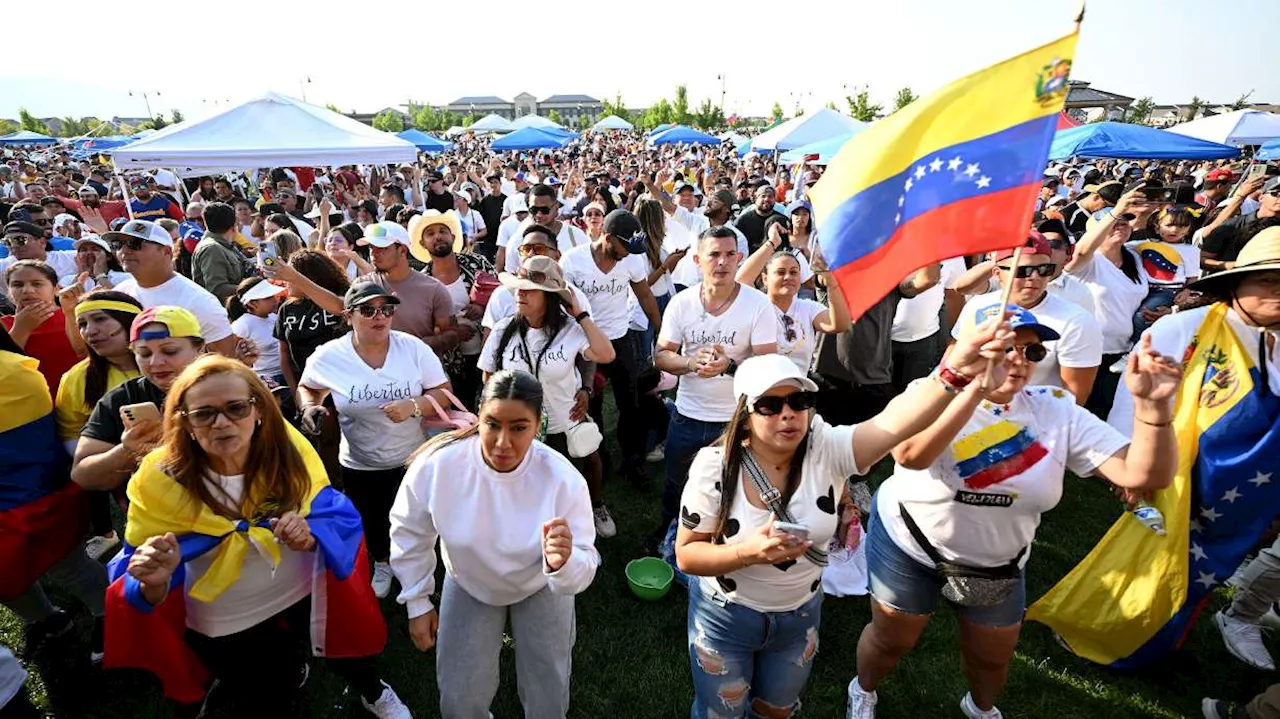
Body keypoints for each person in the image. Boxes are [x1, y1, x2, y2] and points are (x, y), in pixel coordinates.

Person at [846, 307, 1180, 719]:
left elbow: (1143, 475)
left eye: (1030, 351)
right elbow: (911, 455)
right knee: (892, 640)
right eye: (1003, 347)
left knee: (992, 658)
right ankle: (864, 688)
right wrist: (972, 390)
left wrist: (1154, 409)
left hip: (997, 562)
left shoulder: (1056, 408)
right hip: (911, 545)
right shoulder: (928, 392)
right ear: (967, 349)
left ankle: (981, 707)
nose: (1018, 359)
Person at [674, 311, 1010, 718]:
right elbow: (688, 556)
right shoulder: (715, 466)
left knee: (777, 710)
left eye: (800, 401)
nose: (788, 414)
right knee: (720, 713)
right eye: (770, 404)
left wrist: (953, 372)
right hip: (726, 616)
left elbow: (893, 423)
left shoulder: (826, 446)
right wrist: (751, 553)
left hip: (798, 616)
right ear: (745, 413)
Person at [103, 355, 410, 717]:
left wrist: (309, 534)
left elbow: (332, 514)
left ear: (259, 410)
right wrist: (155, 581)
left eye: (236, 408)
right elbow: (140, 577)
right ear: (183, 422)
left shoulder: (287, 448)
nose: (221, 423)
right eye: (203, 414)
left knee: (344, 651)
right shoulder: (156, 478)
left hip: (300, 588)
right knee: (263, 697)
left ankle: (372, 691)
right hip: (223, 615)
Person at [1065, 227, 1280, 674]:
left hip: (1240, 496)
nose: (1279, 294)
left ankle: (1156, 641)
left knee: (1199, 574)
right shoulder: (1187, 328)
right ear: (1236, 284)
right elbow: (1133, 396)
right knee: (1139, 563)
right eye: (1269, 280)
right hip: (1171, 476)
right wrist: (1129, 463)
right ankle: (1098, 632)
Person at [389, 369, 599, 719]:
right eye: (492, 425)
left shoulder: (562, 478)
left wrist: (564, 563)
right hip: (469, 580)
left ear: (538, 425)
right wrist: (417, 600)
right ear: (479, 416)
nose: (503, 443)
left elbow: (585, 564)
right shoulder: (440, 464)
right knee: (459, 695)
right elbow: (409, 527)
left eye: (519, 428)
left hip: (539, 585)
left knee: (548, 686)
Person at [296, 280, 452, 599]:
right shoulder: (330, 356)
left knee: (419, 519)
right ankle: (382, 562)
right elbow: (308, 386)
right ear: (348, 315)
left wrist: (415, 405)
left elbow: (443, 390)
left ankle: (421, 571)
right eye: (368, 310)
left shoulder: (412, 348)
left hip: (414, 457)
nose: (379, 316)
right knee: (374, 519)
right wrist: (310, 407)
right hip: (361, 461)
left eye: (386, 309)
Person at [654, 226, 778, 548]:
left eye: (729, 255)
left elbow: (769, 367)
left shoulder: (758, 305)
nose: (722, 262)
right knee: (677, 481)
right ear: (698, 260)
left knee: (732, 486)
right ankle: (670, 533)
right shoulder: (681, 304)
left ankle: (720, 542)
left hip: (737, 418)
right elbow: (662, 355)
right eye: (713, 254)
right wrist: (692, 363)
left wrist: (731, 366)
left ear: (739, 259)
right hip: (688, 413)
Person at [479, 255, 616, 536]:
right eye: (519, 287)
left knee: (572, 480)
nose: (520, 293)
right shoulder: (504, 329)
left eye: (529, 289)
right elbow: (488, 376)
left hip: (563, 421)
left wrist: (581, 315)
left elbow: (606, 354)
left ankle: (587, 517)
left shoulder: (570, 331)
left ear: (550, 296)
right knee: (527, 485)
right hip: (520, 428)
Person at [0, 322, 108, 666]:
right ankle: (48, 619)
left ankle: (117, 612)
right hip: (29, 496)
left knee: (67, 565)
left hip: (34, 498)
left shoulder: (12, 374)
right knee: (5, 578)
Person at [560, 209, 662, 489]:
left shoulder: (631, 259)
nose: (628, 253)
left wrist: (660, 329)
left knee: (630, 403)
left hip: (620, 338)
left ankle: (632, 461)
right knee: (589, 403)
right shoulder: (573, 261)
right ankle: (598, 457)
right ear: (606, 237)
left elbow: (643, 294)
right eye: (623, 246)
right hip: (585, 343)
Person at [69, 306, 210, 497]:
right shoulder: (122, 398)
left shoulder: (229, 387)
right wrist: (127, 451)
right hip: (158, 516)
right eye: (144, 354)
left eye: (169, 351)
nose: (155, 362)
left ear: (199, 348)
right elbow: (82, 475)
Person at [952, 233, 1103, 405]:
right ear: (997, 273)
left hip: (1034, 421)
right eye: (1023, 271)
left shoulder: (1077, 322)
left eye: (1045, 269)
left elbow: (1074, 398)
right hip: (971, 413)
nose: (1035, 277)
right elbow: (953, 358)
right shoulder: (976, 306)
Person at [53, 291, 143, 560]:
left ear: (130, 320)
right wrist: (108, 457)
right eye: (82, 324)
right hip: (125, 474)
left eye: (100, 319)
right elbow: (69, 431)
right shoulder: (77, 378)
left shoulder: (161, 363)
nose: (90, 332)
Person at [1066, 187, 1152, 418]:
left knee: (1112, 414)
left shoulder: (1135, 256)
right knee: (1084, 414)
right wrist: (1118, 210)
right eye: (1111, 223)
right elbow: (1081, 250)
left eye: (1124, 222)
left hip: (1125, 352)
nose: (1119, 225)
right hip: (1091, 352)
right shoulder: (1089, 262)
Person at [106, 219, 240, 357]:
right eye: (118, 244)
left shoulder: (199, 302)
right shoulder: (119, 294)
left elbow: (224, 362)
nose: (125, 250)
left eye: (135, 244)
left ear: (166, 251)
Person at [735, 228, 851, 373]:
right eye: (780, 272)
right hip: (762, 391)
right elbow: (740, 281)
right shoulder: (757, 305)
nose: (788, 277)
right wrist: (772, 243)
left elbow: (839, 324)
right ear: (765, 279)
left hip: (799, 389)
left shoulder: (808, 308)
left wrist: (831, 281)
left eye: (794, 272)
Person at [409, 210, 492, 408]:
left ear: (453, 237)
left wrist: (481, 308)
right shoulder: (421, 282)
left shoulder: (477, 264)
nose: (437, 236)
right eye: (430, 233)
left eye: (442, 231)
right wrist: (452, 333)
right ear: (422, 243)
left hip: (486, 354)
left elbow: (502, 298)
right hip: (447, 364)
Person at [353, 221, 458, 352]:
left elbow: (451, 335)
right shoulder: (362, 286)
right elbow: (340, 307)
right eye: (371, 247)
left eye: (382, 247)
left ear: (402, 250)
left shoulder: (433, 289)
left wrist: (416, 346)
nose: (374, 253)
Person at [3, 260, 82, 398]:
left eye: (37, 284)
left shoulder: (76, 316)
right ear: (9, 291)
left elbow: (86, 354)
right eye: (17, 285)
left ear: (56, 288)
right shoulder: (3, 325)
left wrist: (71, 312)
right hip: (31, 407)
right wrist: (21, 329)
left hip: (76, 401)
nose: (27, 290)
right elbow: (3, 369)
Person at [1129, 205, 1202, 340]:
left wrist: (1186, 292)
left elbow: (1193, 278)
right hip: (1142, 288)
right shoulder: (1141, 245)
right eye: (1169, 225)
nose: (1174, 230)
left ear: (1188, 230)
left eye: (1182, 226)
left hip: (1168, 292)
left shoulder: (1191, 250)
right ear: (1158, 227)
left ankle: (1135, 349)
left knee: (1142, 317)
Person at [1201, 176, 1280, 272]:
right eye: (1276, 193)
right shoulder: (1232, 226)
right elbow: (1202, 259)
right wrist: (1229, 265)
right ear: (1261, 198)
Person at [227, 277, 288, 387]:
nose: (275, 300)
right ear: (252, 303)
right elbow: (229, 355)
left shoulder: (275, 317)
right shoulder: (242, 325)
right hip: (266, 379)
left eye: (273, 296)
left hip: (288, 373)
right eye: (268, 297)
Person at [191, 202, 249, 303]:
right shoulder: (212, 249)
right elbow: (217, 289)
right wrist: (251, 288)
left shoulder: (225, 245)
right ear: (234, 225)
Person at [1, 220, 78, 279]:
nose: (14, 246)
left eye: (20, 240)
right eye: (8, 242)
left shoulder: (71, 258)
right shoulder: (5, 266)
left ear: (42, 242)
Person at [58, 234, 131, 292]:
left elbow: (124, 302)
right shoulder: (66, 280)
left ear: (108, 256)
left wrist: (100, 275)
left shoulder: (125, 278)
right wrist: (80, 275)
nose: (89, 253)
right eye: (83, 250)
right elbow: (65, 302)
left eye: (95, 249)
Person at [733, 184, 787, 255]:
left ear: (774, 200)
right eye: (763, 196)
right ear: (756, 199)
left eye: (770, 196)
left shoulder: (781, 220)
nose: (766, 199)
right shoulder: (743, 221)